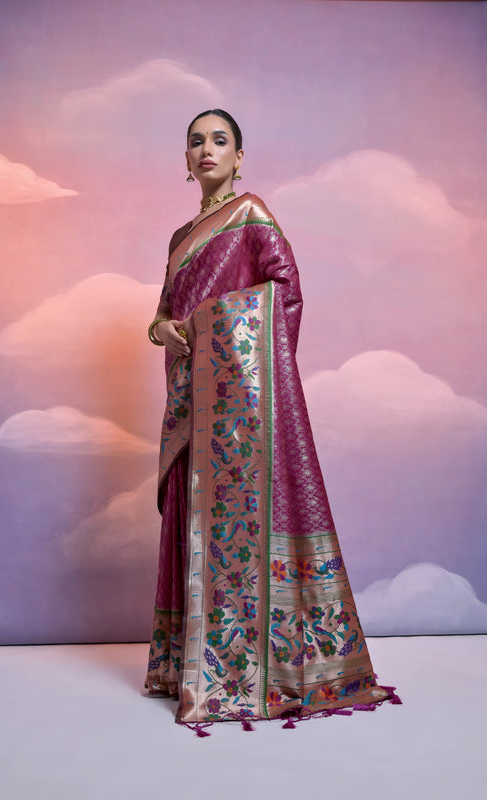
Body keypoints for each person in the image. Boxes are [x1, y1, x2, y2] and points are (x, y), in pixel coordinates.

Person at [145, 109, 400, 731]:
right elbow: (160, 313)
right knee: (191, 516)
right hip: (192, 404)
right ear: (185, 160)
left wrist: (212, 330)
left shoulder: (252, 214)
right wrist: (165, 331)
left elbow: (286, 291)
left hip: (241, 411)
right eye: (195, 142)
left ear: (239, 156)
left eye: (219, 140)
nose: (206, 150)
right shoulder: (180, 237)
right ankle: (188, 664)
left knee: (238, 518)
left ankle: (253, 670)